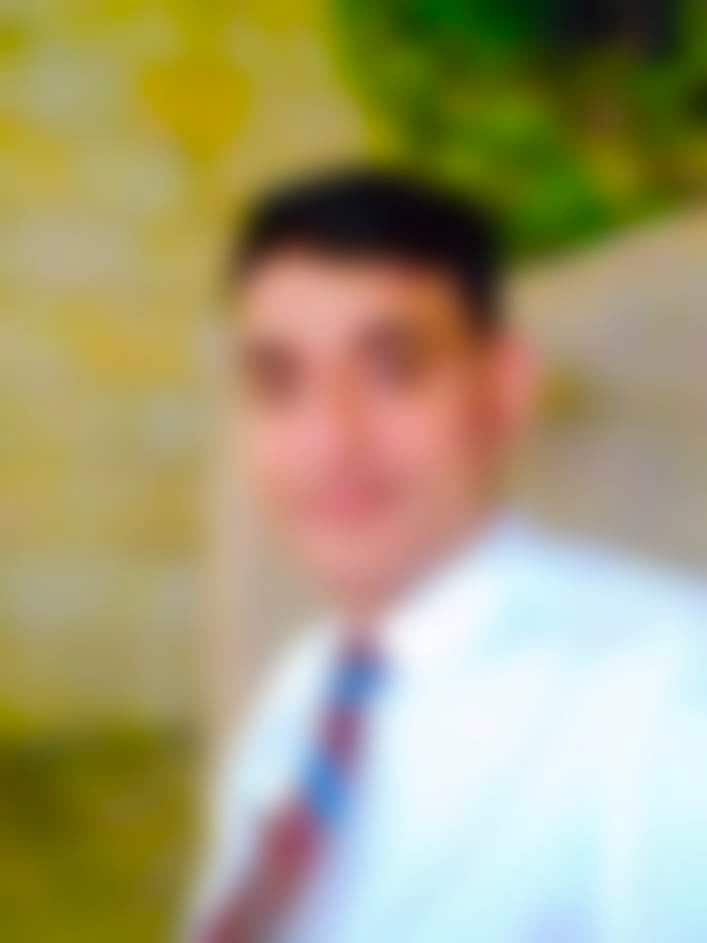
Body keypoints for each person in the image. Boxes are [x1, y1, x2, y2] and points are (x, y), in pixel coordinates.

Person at [191, 168, 707, 942]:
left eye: (391, 370)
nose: (330, 439)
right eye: (279, 381)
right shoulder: (305, 685)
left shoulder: (662, 692)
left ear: (503, 389)